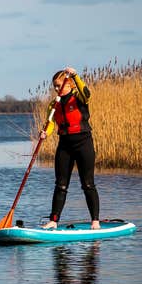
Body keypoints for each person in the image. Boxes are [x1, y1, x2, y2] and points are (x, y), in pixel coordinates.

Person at [41, 66, 100, 230]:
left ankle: (95, 221)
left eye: (59, 85)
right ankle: (53, 220)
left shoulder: (79, 97)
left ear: (69, 84)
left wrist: (75, 76)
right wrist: (45, 133)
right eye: (54, 86)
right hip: (65, 145)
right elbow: (50, 123)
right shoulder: (54, 104)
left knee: (88, 184)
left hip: (83, 143)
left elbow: (87, 94)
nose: (56, 89)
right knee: (60, 185)